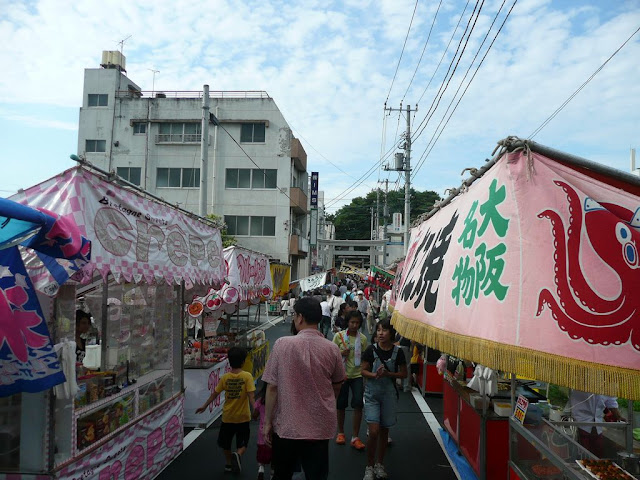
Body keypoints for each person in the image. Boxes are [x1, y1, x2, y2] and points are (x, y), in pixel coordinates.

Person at [262, 297, 346, 480]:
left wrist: (268, 422)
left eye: (294, 315)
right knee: (316, 475)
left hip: (287, 426)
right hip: (319, 426)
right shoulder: (332, 349)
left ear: (300, 317)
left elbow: (272, 388)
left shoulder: (282, 345)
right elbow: (338, 384)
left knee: (282, 474)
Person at [196, 347, 256, 474]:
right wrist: (256, 410)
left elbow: (215, 394)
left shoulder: (225, 377)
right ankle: (238, 454)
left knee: (225, 443)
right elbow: (251, 396)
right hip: (243, 417)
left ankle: (229, 463)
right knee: (243, 442)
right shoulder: (247, 376)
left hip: (228, 417)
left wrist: (205, 406)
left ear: (229, 361)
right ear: (243, 361)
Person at [361, 319, 407, 480]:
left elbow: (403, 374)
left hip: (389, 395)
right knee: (373, 431)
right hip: (372, 395)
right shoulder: (370, 350)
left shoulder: (398, 352)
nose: (380, 333)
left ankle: (379, 464)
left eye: (384, 330)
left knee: (384, 431)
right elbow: (363, 370)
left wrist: (389, 374)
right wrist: (374, 375)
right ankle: (369, 466)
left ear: (391, 333)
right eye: (378, 330)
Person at [333, 310, 368, 451]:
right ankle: (340, 433)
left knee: (358, 404)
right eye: (352, 322)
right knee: (341, 405)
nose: (354, 325)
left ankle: (355, 436)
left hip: (358, 375)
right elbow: (331, 355)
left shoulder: (363, 339)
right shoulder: (338, 336)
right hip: (342, 376)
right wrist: (341, 352)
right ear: (347, 322)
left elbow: (366, 357)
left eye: (357, 322)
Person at [570, 390, 625, 458]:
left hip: (597, 424)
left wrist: (619, 417)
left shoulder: (607, 386)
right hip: (580, 422)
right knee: (582, 454)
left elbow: (611, 402)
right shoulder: (581, 383)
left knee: (597, 454)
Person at [253, 382, 273, 480]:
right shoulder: (277, 401)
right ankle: (273, 473)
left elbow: (255, 415)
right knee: (274, 453)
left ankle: (261, 468)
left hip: (262, 431)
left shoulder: (260, 401)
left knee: (261, 453)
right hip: (274, 431)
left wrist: (255, 417)